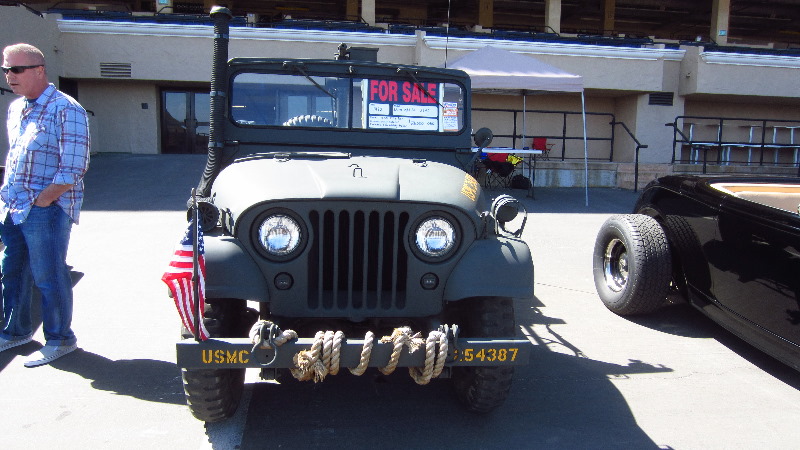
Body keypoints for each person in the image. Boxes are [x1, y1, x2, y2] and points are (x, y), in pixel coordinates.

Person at [0, 43, 90, 367]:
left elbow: (74, 167)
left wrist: (44, 199)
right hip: (13, 206)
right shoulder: (16, 108)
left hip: (45, 210)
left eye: (16, 69)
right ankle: (15, 332)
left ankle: (60, 338)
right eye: (6, 70)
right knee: (11, 272)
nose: (10, 76)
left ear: (39, 70)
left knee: (48, 276)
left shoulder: (67, 109)